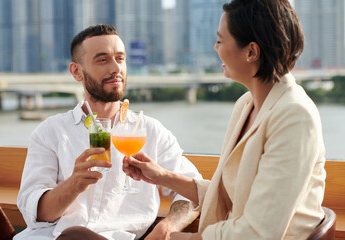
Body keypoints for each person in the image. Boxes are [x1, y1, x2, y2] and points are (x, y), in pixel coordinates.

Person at [124, 0, 327, 239]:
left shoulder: (295, 116)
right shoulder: (246, 104)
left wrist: (175, 237)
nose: (215, 47)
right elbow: (230, 195)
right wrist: (160, 175)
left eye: (220, 40)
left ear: (251, 51)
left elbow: (258, 233)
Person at [14, 24, 202, 240]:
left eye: (120, 59)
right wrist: (73, 185)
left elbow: (193, 192)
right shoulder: (50, 132)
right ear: (76, 71)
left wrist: (167, 227)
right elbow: (36, 213)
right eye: (102, 60)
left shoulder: (150, 131)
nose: (116, 68)